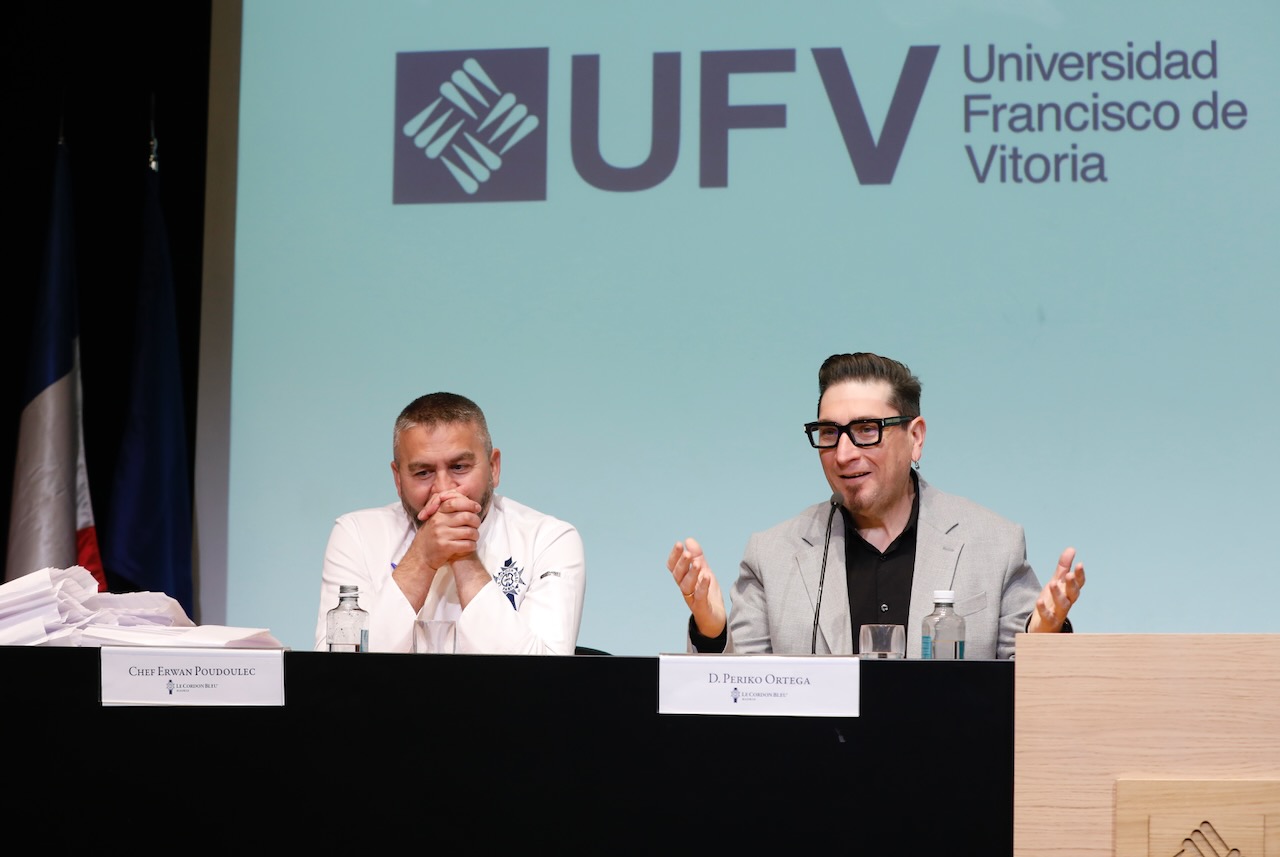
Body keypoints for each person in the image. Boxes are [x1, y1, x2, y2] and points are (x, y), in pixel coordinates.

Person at [666, 352, 1084, 658]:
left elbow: (1027, 699)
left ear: (916, 437)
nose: (844, 453)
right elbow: (737, 699)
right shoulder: (772, 554)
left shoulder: (994, 545)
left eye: (867, 430)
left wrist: (1044, 636)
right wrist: (711, 632)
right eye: (829, 433)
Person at [314, 392, 585, 654]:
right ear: (398, 479)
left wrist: (464, 556)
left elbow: (547, 679)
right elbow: (339, 676)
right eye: (423, 472)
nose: (443, 490)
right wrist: (421, 558)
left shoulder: (549, 539)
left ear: (494, 468)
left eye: (459, 467)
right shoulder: (357, 535)